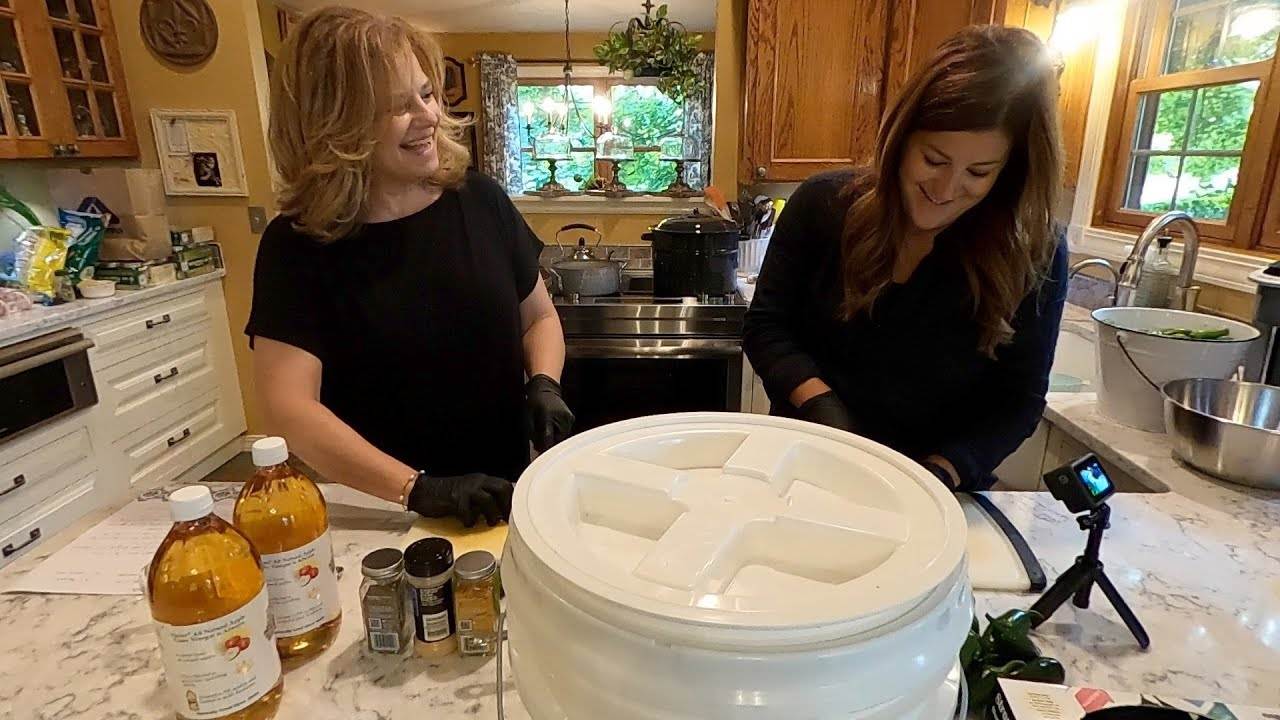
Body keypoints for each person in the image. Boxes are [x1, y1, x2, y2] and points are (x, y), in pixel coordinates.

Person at [246, 7, 572, 527]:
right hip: (383, 510)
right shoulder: (297, 246)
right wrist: (417, 489)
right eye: (398, 106)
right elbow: (290, 409)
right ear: (336, 126)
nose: (428, 116)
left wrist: (544, 382)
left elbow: (539, 318)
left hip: (501, 496)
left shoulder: (480, 200)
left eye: (426, 93)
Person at [743, 26, 1068, 492]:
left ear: (1010, 170)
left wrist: (938, 473)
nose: (946, 189)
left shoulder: (1034, 253)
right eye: (933, 160)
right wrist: (820, 406)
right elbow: (766, 327)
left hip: (936, 488)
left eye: (978, 172)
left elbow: (1018, 400)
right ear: (900, 139)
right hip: (805, 462)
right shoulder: (822, 205)